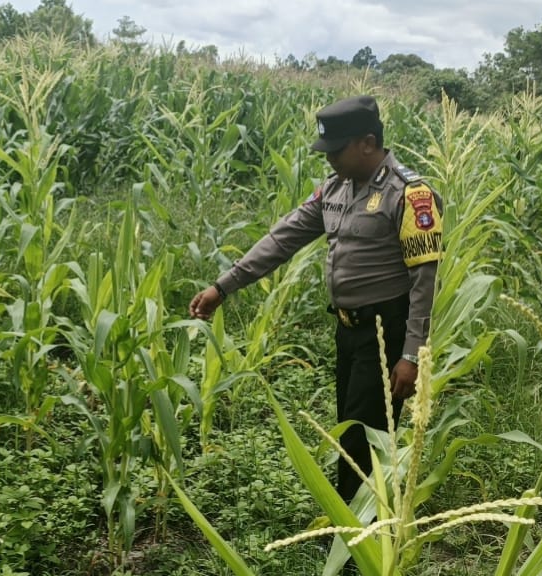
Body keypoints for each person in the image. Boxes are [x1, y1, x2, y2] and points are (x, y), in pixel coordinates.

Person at [189, 95, 442, 503]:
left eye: (336, 150)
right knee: (353, 427)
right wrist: (224, 286)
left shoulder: (410, 195)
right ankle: (364, 524)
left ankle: (360, 542)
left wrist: (411, 355)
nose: (330, 160)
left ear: (368, 142)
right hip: (349, 332)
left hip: (386, 331)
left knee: (365, 438)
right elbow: (283, 238)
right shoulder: (335, 189)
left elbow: (424, 282)